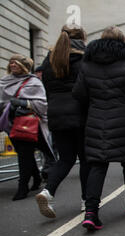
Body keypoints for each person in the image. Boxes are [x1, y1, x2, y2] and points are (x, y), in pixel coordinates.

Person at [73, 26, 125, 231]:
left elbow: (78, 93)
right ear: (122, 41)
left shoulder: (87, 65)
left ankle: (91, 213)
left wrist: (92, 109)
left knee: (97, 164)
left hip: (96, 119)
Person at [34, 24, 90, 218]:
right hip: (81, 114)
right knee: (85, 159)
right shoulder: (85, 56)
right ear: (83, 36)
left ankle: (47, 192)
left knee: (65, 159)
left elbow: (46, 88)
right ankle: (86, 201)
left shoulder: (50, 59)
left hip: (56, 114)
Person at [0, 54, 55, 201]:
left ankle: (22, 187)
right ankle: (36, 178)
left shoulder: (33, 82)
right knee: (24, 153)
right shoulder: (4, 81)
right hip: (10, 124)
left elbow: (43, 106)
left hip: (28, 124)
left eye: (15, 63)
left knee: (24, 154)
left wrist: (23, 103)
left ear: (23, 66)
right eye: (11, 63)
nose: (12, 65)